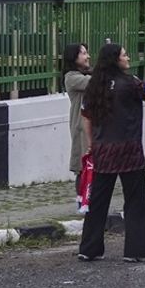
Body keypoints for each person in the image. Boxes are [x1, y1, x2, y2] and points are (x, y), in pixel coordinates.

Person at [77, 42, 145, 263]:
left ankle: (89, 248)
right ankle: (137, 250)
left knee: (98, 201)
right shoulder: (131, 83)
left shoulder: (95, 85)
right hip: (128, 151)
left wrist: (91, 144)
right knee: (135, 201)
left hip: (103, 150)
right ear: (116, 60)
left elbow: (86, 116)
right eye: (125, 55)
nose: (128, 58)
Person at [62, 43, 92, 210]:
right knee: (82, 167)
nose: (87, 56)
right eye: (83, 53)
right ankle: (82, 201)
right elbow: (93, 82)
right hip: (81, 128)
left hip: (93, 127)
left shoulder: (86, 74)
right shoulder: (72, 77)